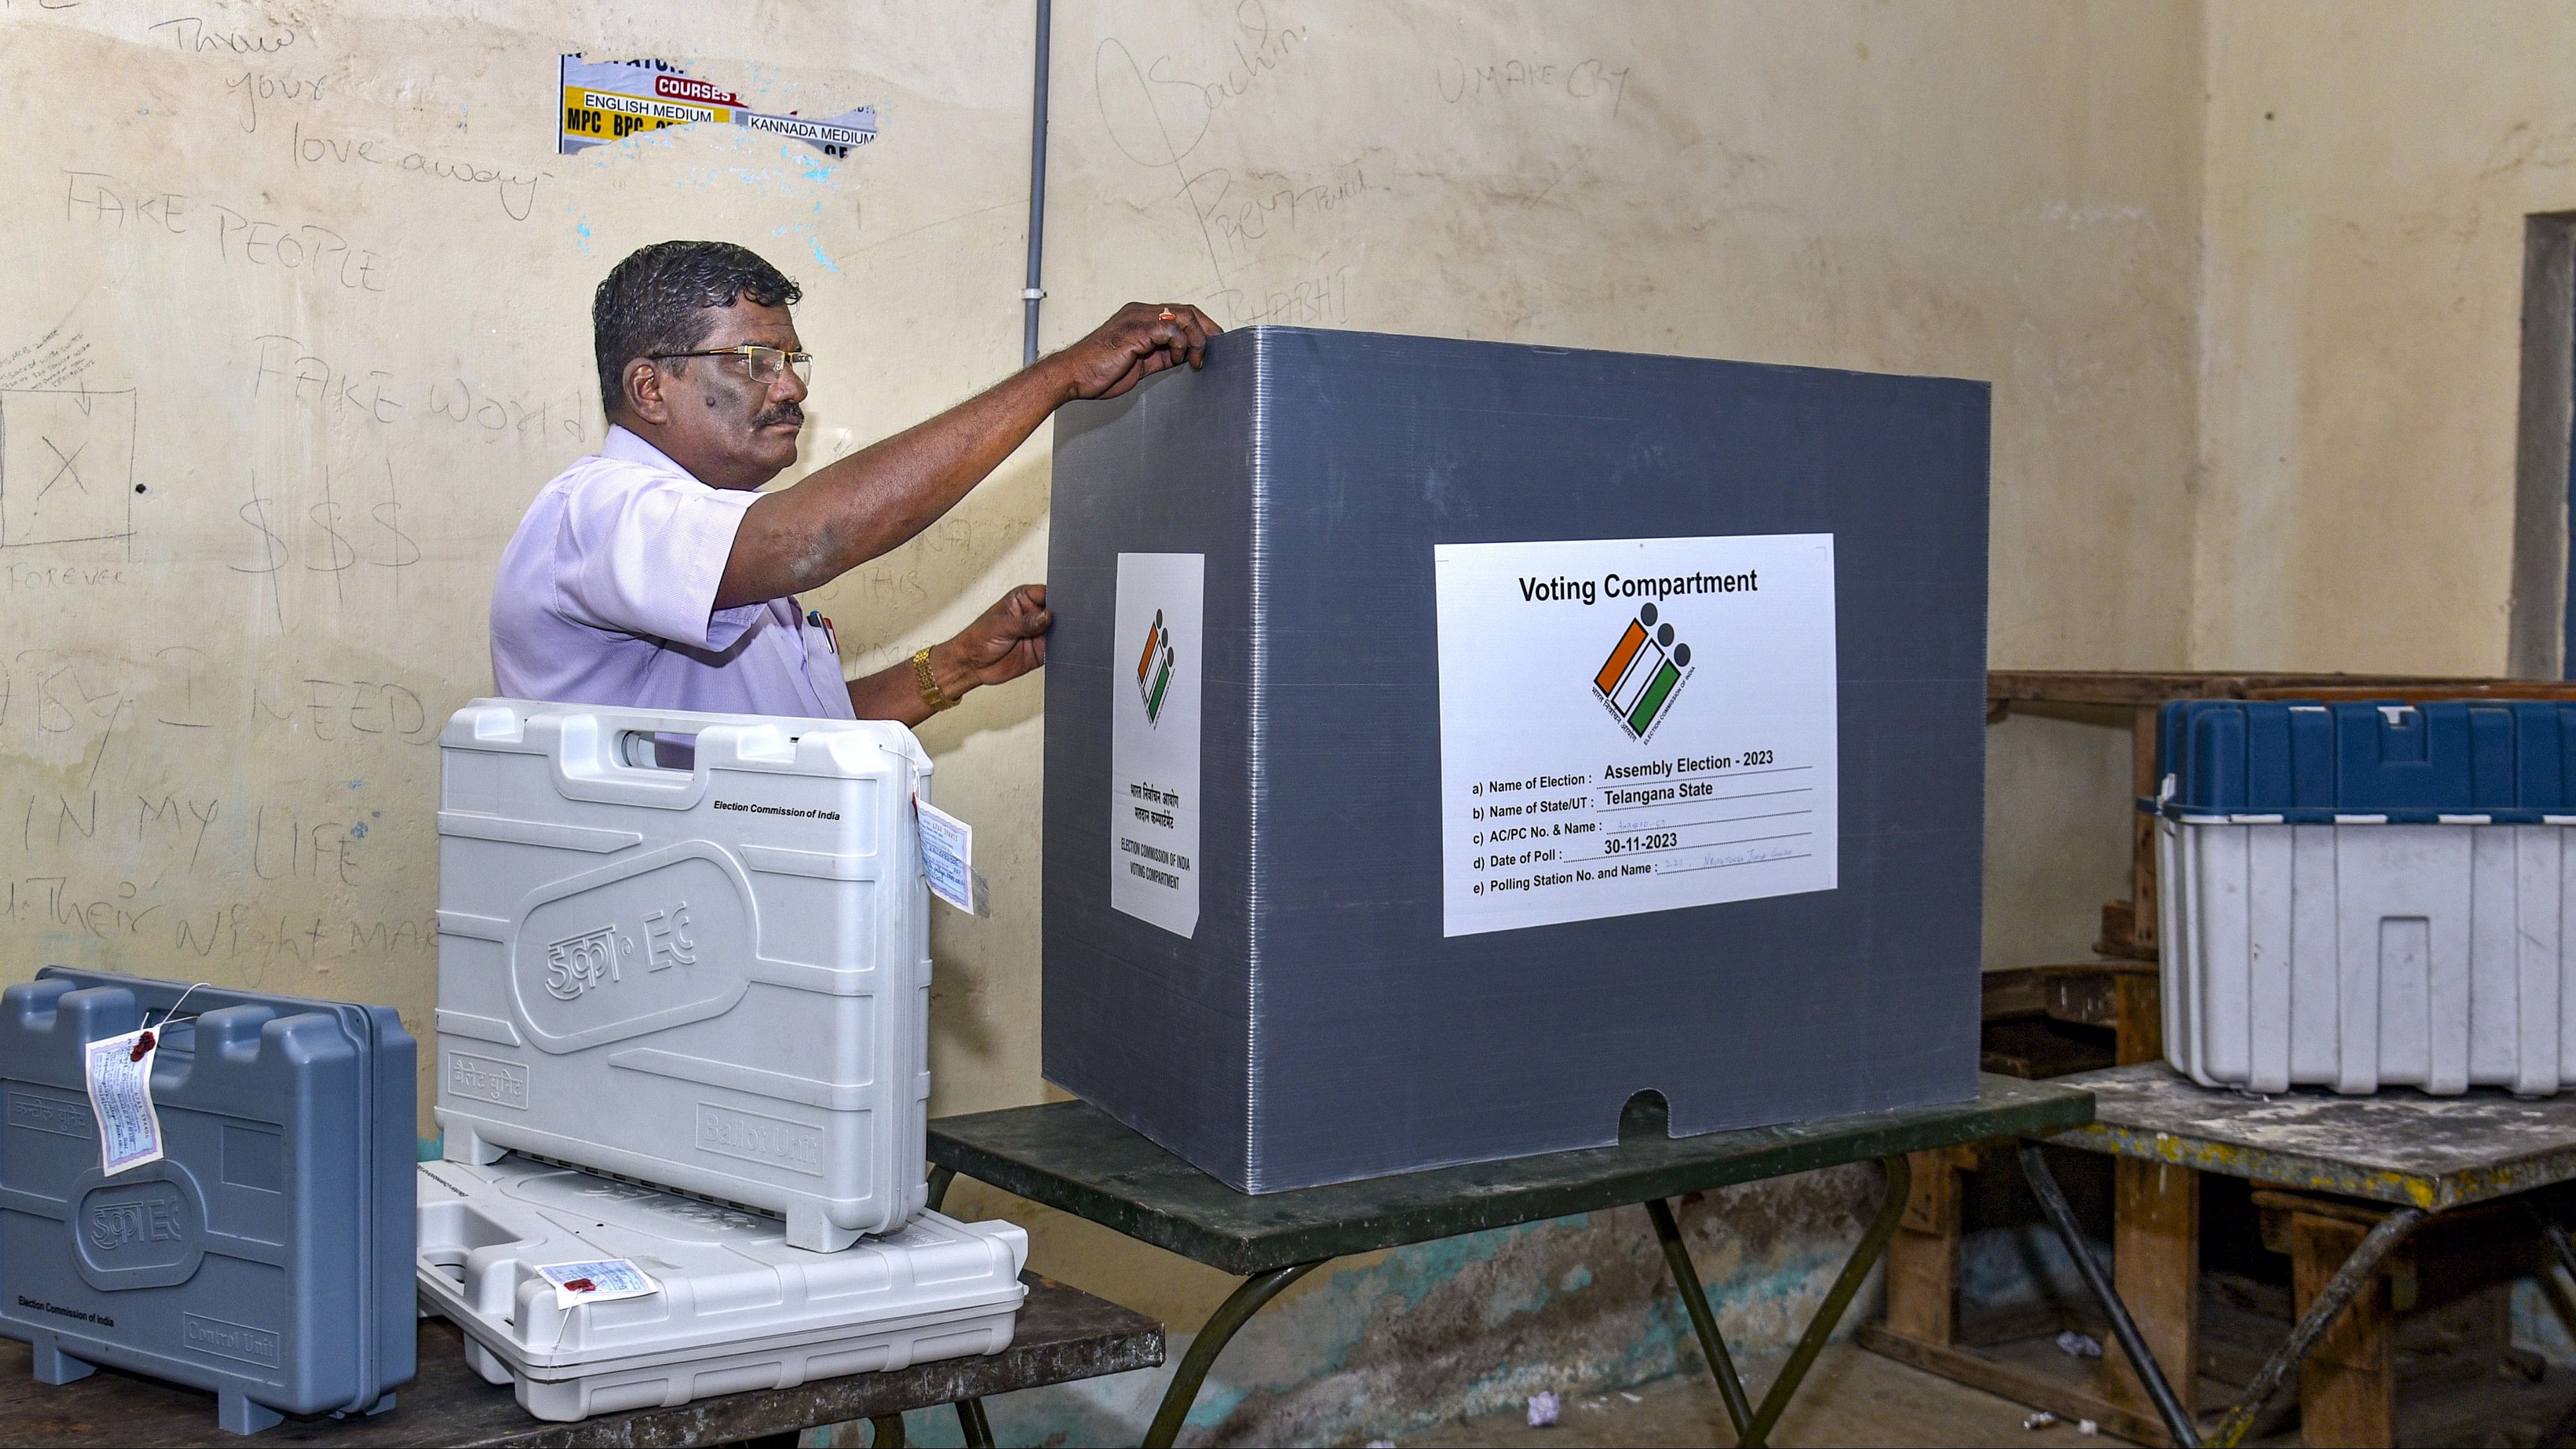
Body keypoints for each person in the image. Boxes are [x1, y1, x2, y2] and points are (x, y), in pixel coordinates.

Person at [491, 239, 1219, 730]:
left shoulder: (712, 532)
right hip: (654, 935)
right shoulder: (597, 512)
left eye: (793, 359)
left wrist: (956, 664)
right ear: (650, 387)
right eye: (755, 359)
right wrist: (1058, 375)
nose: (793, 387)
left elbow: (790, 741)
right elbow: (816, 538)